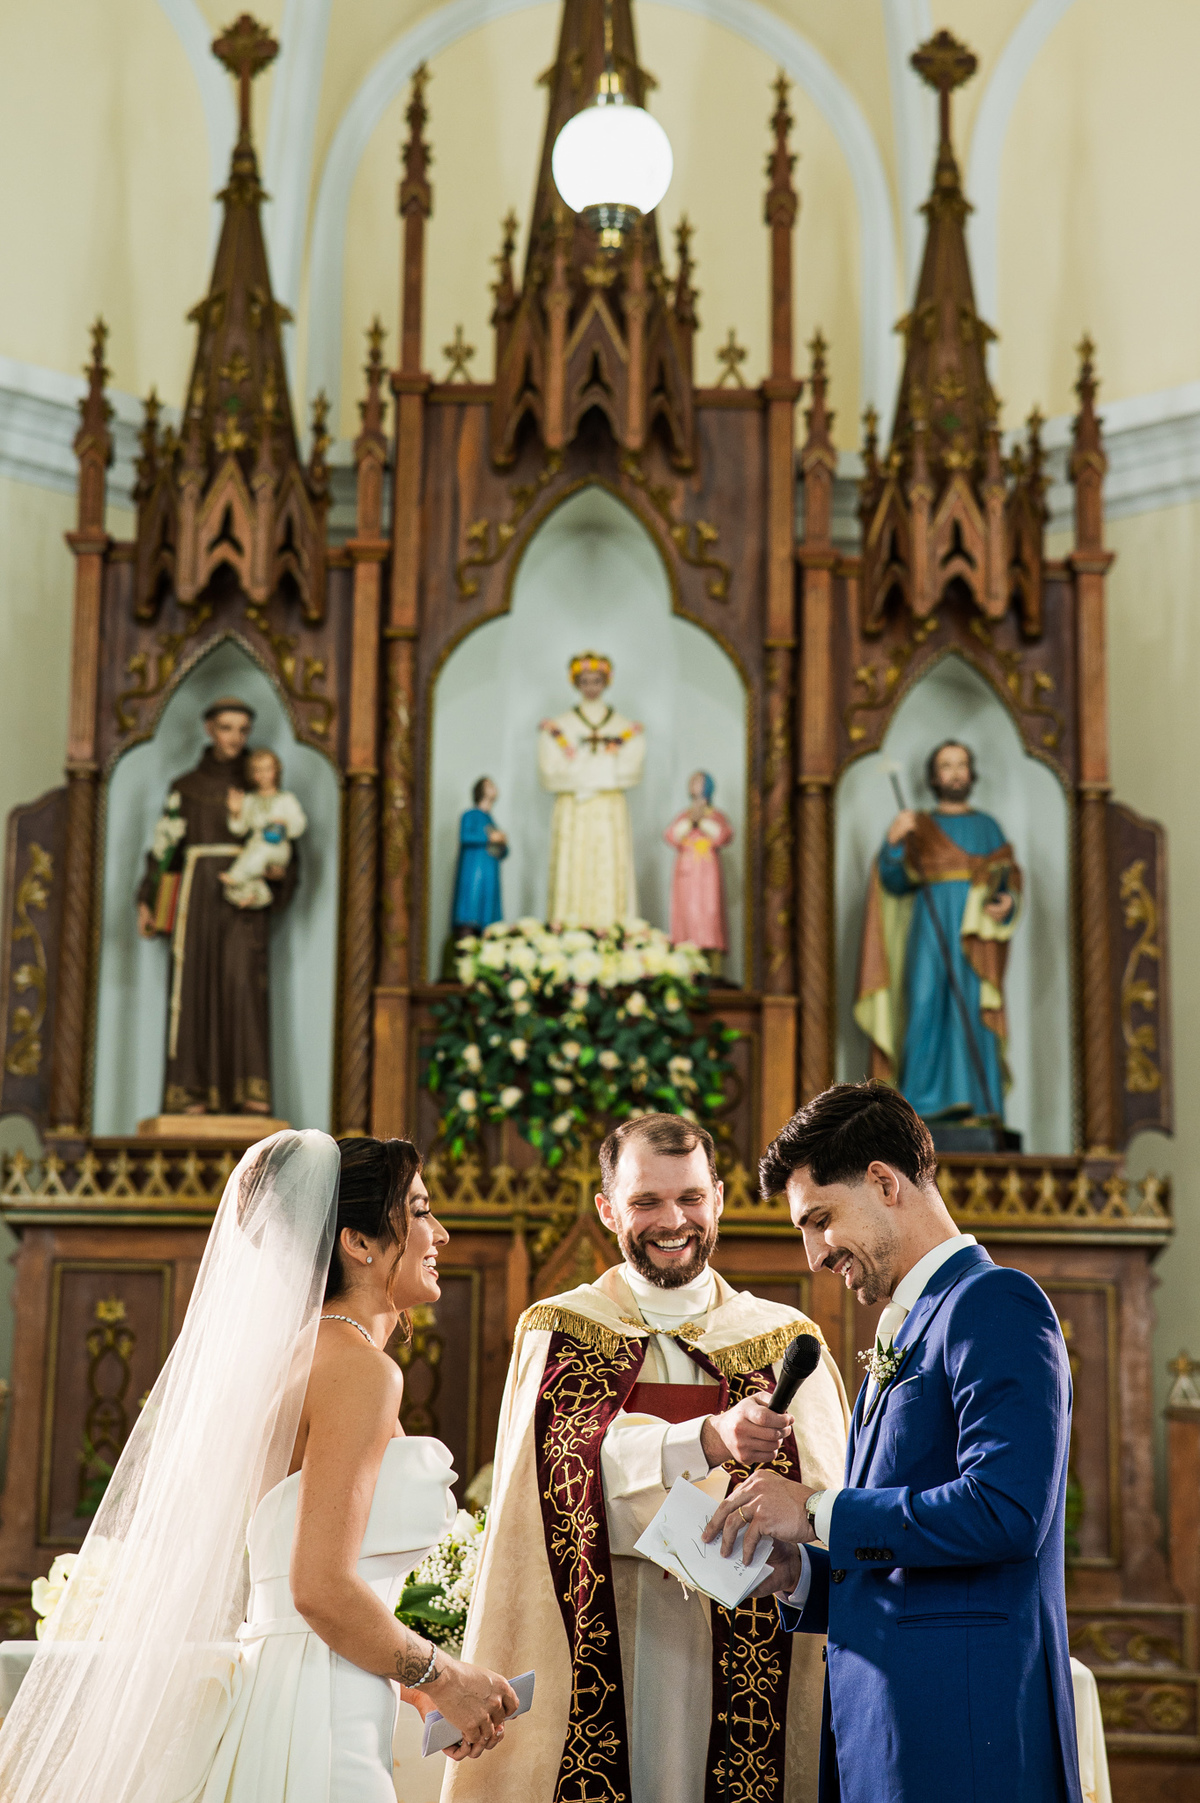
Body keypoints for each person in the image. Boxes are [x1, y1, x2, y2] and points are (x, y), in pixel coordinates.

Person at [0, 1131, 518, 1803]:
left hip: (303, 1686)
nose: (441, 1233)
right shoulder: (360, 1370)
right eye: (419, 1211)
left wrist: (417, 1694)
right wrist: (440, 1675)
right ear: (357, 1241)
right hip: (321, 1715)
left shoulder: (301, 1357)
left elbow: (299, 1585)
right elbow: (319, 1588)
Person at [444, 1112, 849, 1803]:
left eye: (691, 1198)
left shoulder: (785, 1338)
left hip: (748, 1647)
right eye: (646, 1201)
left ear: (717, 1198)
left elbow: (829, 1500)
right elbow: (556, 1470)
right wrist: (709, 1439)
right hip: (604, 1642)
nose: (674, 1221)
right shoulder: (560, 1329)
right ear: (607, 1209)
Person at [704, 1081, 1081, 1803]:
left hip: (966, 1739)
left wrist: (816, 1508)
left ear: (883, 1181)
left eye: (820, 1219)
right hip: (886, 1735)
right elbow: (902, 1557)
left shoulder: (993, 1302)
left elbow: (1007, 1510)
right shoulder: (907, 1326)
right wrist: (801, 1573)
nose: (814, 1254)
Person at [137, 697, 299, 1116]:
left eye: (243, 730)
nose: (236, 738)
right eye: (227, 728)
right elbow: (165, 847)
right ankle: (191, 1093)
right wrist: (148, 899)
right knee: (194, 990)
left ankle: (251, 1092)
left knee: (242, 986)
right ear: (210, 729)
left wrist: (278, 875)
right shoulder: (186, 787)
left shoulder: (261, 788)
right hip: (196, 899)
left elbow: (284, 844)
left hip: (243, 899)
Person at [854, 740, 1021, 1125]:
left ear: (971, 773)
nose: (956, 772)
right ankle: (917, 1111)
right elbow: (894, 881)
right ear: (934, 776)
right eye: (947, 765)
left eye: (962, 764)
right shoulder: (920, 825)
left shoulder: (987, 826)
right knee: (925, 1005)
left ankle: (979, 1106)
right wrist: (894, 842)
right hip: (929, 930)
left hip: (975, 936)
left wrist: (1007, 899)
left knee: (975, 1011)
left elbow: (1007, 875)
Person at [538, 651, 645, 930]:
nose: (591, 687)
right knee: (573, 866)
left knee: (609, 866)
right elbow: (550, 773)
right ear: (575, 683)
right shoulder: (559, 726)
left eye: (597, 680)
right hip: (573, 808)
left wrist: (580, 768)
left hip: (609, 808)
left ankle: (611, 928)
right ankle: (570, 928)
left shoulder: (625, 727)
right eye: (585, 680)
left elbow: (631, 771)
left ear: (606, 682)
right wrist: (604, 766)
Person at [221, 747, 308, 910]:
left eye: (268, 769)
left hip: (277, 847)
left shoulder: (285, 799)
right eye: (257, 770)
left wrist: (285, 824)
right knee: (250, 859)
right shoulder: (249, 799)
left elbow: (299, 825)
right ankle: (257, 895)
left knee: (256, 858)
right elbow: (239, 829)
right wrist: (235, 812)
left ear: (276, 771)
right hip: (255, 845)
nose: (263, 775)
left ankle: (237, 877)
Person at [663, 769, 734, 967]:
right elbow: (670, 836)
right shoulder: (684, 816)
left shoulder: (716, 816)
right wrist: (690, 821)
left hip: (707, 875)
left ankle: (713, 966)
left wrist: (701, 821)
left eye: (699, 783)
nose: (695, 786)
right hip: (686, 875)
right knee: (685, 915)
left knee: (709, 914)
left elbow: (724, 835)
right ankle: (686, 964)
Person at [451, 777, 508, 936]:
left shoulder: (491, 821)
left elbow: (501, 852)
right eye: (489, 784)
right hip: (473, 873)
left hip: (489, 876)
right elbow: (465, 836)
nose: (494, 787)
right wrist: (490, 838)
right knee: (470, 915)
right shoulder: (470, 815)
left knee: (488, 919)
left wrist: (502, 843)